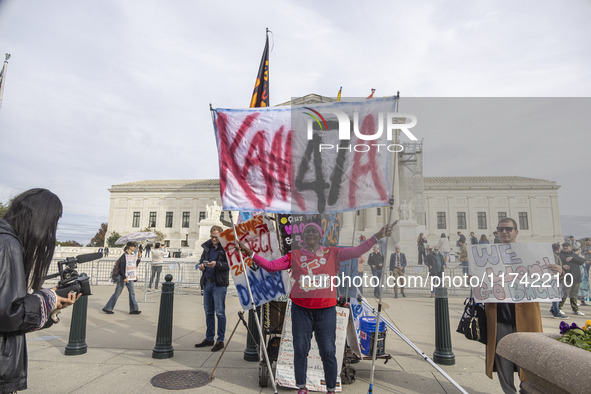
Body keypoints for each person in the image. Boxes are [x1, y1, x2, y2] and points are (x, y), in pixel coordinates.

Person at [236, 222, 393, 394]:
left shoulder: (332, 252)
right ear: (303, 237)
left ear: (320, 236)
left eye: (314, 231)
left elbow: (356, 251)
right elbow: (272, 266)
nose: (310, 233)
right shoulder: (294, 255)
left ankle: (331, 389)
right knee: (301, 350)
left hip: (326, 310)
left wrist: (377, 235)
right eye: (307, 231)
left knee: (328, 350)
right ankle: (302, 387)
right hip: (300, 310)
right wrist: (250, 253)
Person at [0, 188, 79, 393]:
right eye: (54, 223)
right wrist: (48, 297)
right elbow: (8, 314)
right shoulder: (8, 245)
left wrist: (49, 308)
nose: (52, 231)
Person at [484, 218, 561, 393]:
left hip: (525, 311)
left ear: (516, 232)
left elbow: (547, 279)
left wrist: (559, 272)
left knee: (528, 354)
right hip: (499, 313)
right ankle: (509, 391)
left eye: (509, 229)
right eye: (500, 229)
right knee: (502, 355)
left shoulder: (531, 253)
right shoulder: (489, 254)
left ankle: (526, 389)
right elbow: (481, 280)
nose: (504, 232)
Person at [194, 225, 228, 352]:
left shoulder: (225, 248)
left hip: (219, 284)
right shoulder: (207, 246)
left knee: (220, 313)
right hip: (207, 283)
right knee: (208, 312)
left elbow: (229, 264)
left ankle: (220, 340)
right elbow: (202, 260)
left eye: (216, 237)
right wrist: (202, 265)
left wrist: (217, 264)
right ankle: (209, 338)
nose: (214, 239)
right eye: (212, 236)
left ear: (221, 235)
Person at [102, 242, 141, 314]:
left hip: (130, 277)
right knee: (117, 293)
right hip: (123, 277)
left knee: (132, 293)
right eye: (133, 246)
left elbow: (134, 266)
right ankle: (108, 308)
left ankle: (134, 309)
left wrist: (138, 259)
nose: (135, 248)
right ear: (129, 247)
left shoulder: (132, 255)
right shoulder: (124, 256)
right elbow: (121, 269)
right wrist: (124, 277)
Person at [559, 242, 586, 316]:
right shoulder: (560, 255)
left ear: (570, 247)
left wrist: (573, 258)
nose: (565, 247)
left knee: (574, 295)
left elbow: (582, 261)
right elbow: (556, 263)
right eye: (564, 246)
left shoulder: (573, 255)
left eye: (567, 246)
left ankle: (575, 309)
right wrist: (562, 266)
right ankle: (559, 308)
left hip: (576, 278)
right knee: (564, 293)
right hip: (567, 277)